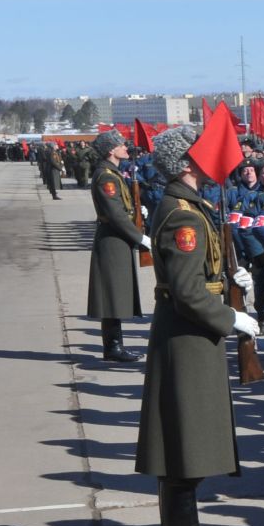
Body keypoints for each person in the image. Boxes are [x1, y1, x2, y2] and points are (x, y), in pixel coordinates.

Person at [134, 127, 259, 526]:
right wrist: (230, 317)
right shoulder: (184, 215)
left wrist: (232, 283)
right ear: (186, 163)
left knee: (190, 438)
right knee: (186, 441)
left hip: (190, 332)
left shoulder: (190, 206)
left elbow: (199, 277)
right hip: (188, 335)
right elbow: (187, 292)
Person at [86, 131, 149, 364]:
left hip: (117, 238)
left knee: (115, 293)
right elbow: (114, 214)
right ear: (111, 150)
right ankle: (113, 346)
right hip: (113, 239)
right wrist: (140, 237)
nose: (126, 147)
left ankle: (114, 345)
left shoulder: (111, 174)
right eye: (121, 145)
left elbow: (120, 209)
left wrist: (135, 212)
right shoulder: (107, 177)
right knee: (112, 294)